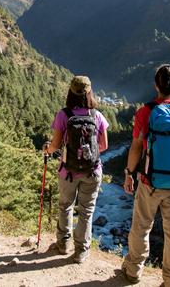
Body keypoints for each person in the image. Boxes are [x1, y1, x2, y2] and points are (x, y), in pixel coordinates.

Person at [122, 64, 170, 286]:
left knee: (141, 227)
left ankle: (134, 270)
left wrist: (129, 173)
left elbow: (136, 147)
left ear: (156, 84)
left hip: (150, 182)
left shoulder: (146, 112)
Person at [43, 75, 109, 264]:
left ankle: (63, 244)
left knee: (65, 206)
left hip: (68, 172)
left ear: (71, 91)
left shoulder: (64, 115)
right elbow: (104, 145)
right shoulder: (96, 115)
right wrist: (87, 152)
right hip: (92, 171)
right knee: (86, 211)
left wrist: (48, 149)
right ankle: (81, 251)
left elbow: (55, 145)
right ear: (89, 92)